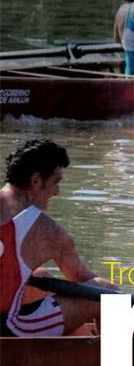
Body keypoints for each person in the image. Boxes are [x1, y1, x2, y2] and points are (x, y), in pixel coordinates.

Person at [0, 139, 115, 336]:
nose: (57, 192)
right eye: (55, 182)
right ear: (36, 181)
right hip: (9, 330)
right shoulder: (47, 231)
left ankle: (80, 350)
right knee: (108, 295)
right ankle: (128, 361)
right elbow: (85, 282)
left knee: (40, 276)